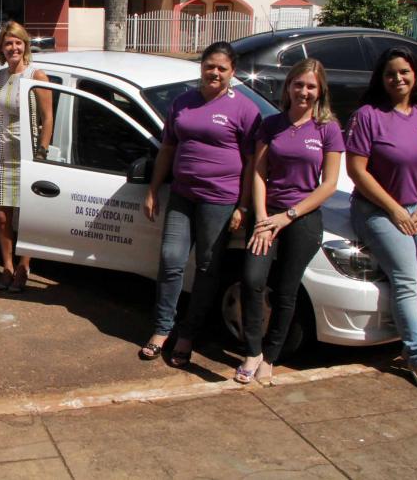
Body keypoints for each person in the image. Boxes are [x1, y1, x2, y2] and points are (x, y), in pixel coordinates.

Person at [140, 41, 261, 367]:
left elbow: (253, 163)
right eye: (210, 67)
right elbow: (167, 149)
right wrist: (153, 188)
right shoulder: (183, 103)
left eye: (222, 68)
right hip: (183, 195)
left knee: (207, 268)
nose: (215, 73)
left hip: (219, 201)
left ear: (232, 72)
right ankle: (162, 329)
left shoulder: (245, 109)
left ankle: (188, 334)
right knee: (171, 260)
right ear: (202, 68)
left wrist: (244, 206)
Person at [346, 47, 417, 395]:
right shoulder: (367, 115)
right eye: (391, 73)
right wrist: (393, 209)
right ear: (381, 79)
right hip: (376, 210)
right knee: (407, 279)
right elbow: (356, 171)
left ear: (414, 75)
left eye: (404, 72)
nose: (398, 78)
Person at [235, 59, 342, 385]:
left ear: (320, 90)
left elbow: (329, 184)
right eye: (299, 84)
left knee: (286, 289)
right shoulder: (271, 125)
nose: (304, 92)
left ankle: (271, 355)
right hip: (269, 214)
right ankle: (252, 351)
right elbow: (258, 173)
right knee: (252, 279)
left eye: (311, 86)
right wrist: (263, 217)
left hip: (303, 217)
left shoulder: (328, 128)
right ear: (288, 87)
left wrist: (289, 216)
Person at [0, 21, 53, 292]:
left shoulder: (36, 75)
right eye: (8, 43)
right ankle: (7, 266)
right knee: (3, 217)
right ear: (2, 48)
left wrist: (42, 152)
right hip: (3, 151)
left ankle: (25, 265)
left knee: (28, 217)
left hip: (29, 154)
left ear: (25, 45)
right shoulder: (0, 76)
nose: (13, 47)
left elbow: (48, 118)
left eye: (18, 42)